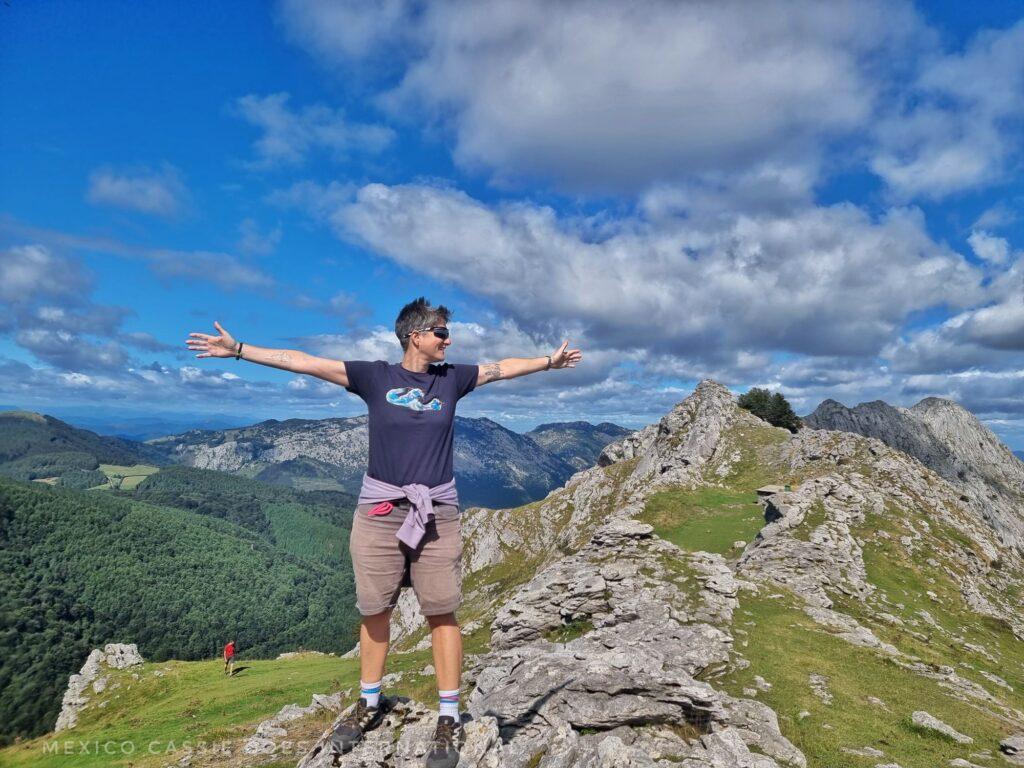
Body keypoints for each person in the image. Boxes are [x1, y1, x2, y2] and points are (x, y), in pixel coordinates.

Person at [186, 298, 582, 767]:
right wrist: (239, 350)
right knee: (375, 610)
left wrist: (548, 363)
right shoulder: (375, 377)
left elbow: (502, 368)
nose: (447, 340)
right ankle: (370, 703)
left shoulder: (452, 378)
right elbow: (304, 362)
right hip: (378, 512)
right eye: (440, 332)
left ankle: (449, 717)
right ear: (414, 335)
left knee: (442, 612)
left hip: (437, 511)